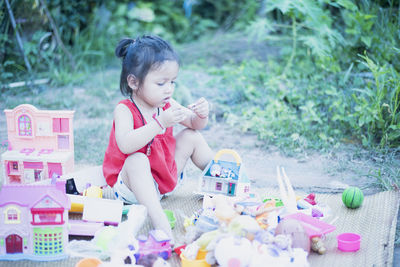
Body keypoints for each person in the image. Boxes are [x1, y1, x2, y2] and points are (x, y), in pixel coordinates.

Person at [102, 35, 214, 240]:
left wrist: (201, 115)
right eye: (161, 83)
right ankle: (158, 219)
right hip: (131, 188)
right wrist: (159, 123)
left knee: (191, 136)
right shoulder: (125, 110)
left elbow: (194, 124)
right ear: (134, 82)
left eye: (172, 82)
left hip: (163, 178)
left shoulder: (167, 103)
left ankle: (221, 180)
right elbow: (126, 145)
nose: (169, 89)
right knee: (137, 159)